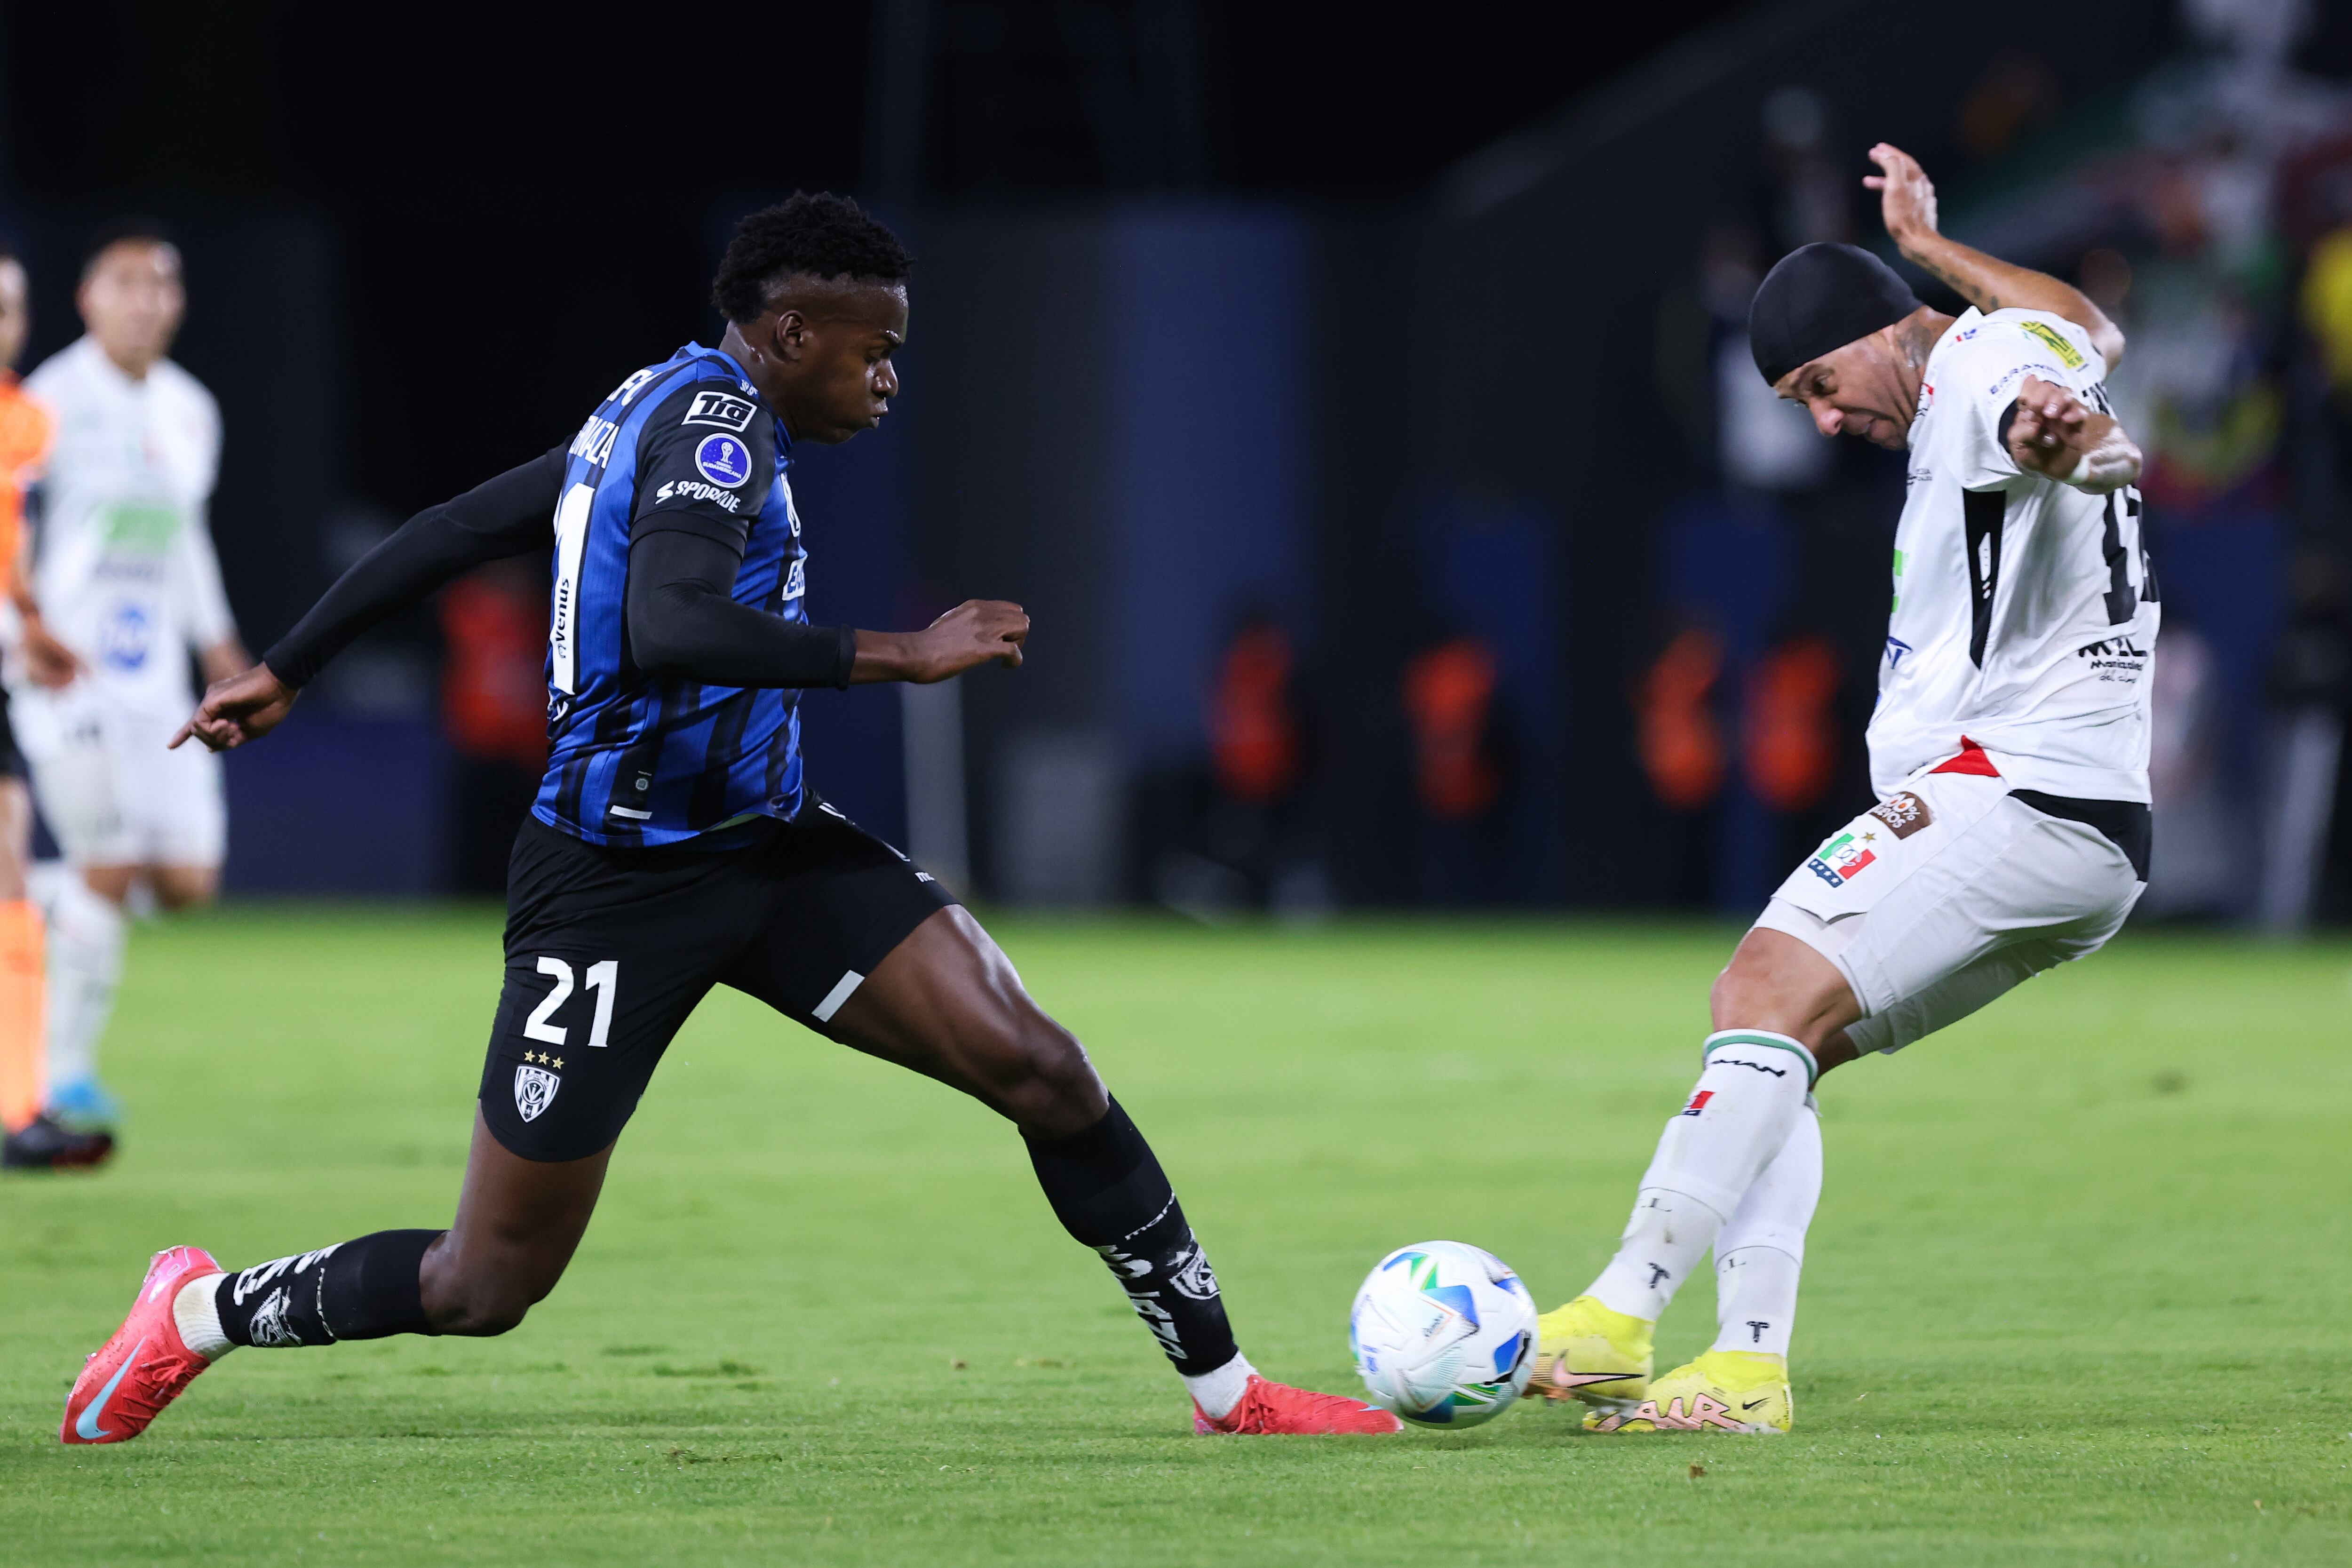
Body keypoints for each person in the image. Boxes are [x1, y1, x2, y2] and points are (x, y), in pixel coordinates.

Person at [60, 194, 1398, 1445]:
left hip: (766, 846)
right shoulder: (715, 424)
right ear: (791, 332)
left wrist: (291, 662)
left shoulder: (650, 402)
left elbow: (463, 521)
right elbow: (668, 622)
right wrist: (901, 652)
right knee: (488, 1278)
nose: (887, 376)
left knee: (1041, 1065)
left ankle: (1230, 1391)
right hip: (615, 881)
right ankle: (194, 1310)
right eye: (873, 348)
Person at [1528, 144, 2155, 1433]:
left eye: (1819, 382)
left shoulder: (1976, 374)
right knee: (1782, 1041)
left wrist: (2064, 435)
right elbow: (2085, 329)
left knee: (1759, 985)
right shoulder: (2004, 335)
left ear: (1884, 337)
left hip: (2020, 786)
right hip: (2079, 818)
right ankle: (1746, 1367)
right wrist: (1934, 247)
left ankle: (1613, 1311)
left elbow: (2039, 401)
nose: (1821, 418)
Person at [13, 221, 246, 1136]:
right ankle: (63, 1076)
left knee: (187, 881)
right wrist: (24, 628)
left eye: (161, 285)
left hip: (156, 679)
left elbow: (184, 534)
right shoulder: (50, 402)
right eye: (125, 283)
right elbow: (14, 529)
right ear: (88, 298)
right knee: (106, 866)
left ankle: (27, 895)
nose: (145, 300)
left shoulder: (191, 409)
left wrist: (217, 637)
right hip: (64, 670)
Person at [0, 241, 108, 1170]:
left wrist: (32, 620)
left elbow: (14, 543)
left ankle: (19, 1108)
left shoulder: (29, 422)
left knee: (11, 886)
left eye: (11, 308)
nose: (5, 325)